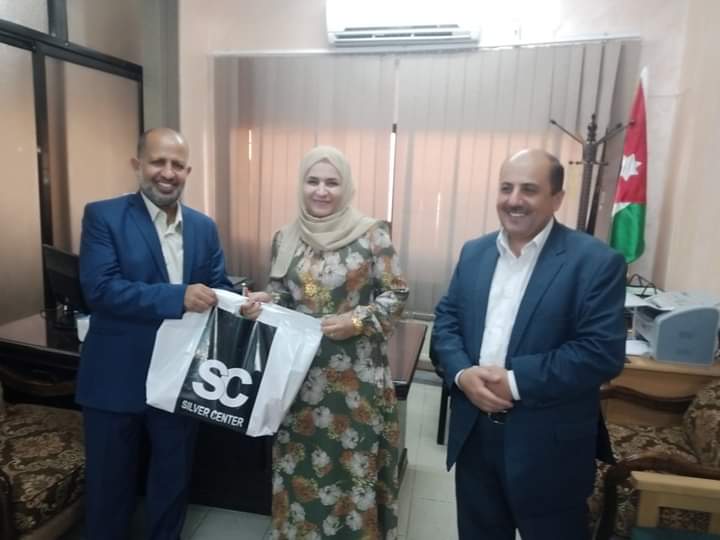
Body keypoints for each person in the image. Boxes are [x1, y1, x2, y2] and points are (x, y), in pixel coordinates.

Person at [432, 149, 626, 540]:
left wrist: (514, 382)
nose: (514, 200)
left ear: (557, 199)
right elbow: (447, 322)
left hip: (549, 444)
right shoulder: (474, 253)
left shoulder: (595, 262)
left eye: (529, 190)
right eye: (506, 188)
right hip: (475, 435)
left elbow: (600, 353)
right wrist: (463, 374)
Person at [241, 145, 409, 539]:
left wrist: (357, 320)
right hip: (300, 381)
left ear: (345, 187)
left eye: (331, 182)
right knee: (299, 467)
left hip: (356, 383)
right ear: (301, 184)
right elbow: (284, 295)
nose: (321, 190)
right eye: (312, 181)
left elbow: (397, 294)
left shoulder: (372, 234)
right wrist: (266, 302)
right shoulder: (285, 237)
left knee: (353, 472)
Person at [78, 127, 232, 539]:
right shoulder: (103, 216)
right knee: (109, 488)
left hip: (180, 379)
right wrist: (178, 296)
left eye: (177, 165)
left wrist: (244, 301)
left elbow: (218, 286)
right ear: (137, 165)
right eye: (158, 162)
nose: (167, 172)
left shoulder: (204, 227)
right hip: (114, 377)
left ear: (188, 172)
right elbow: (100, 289)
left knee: (172, 481)